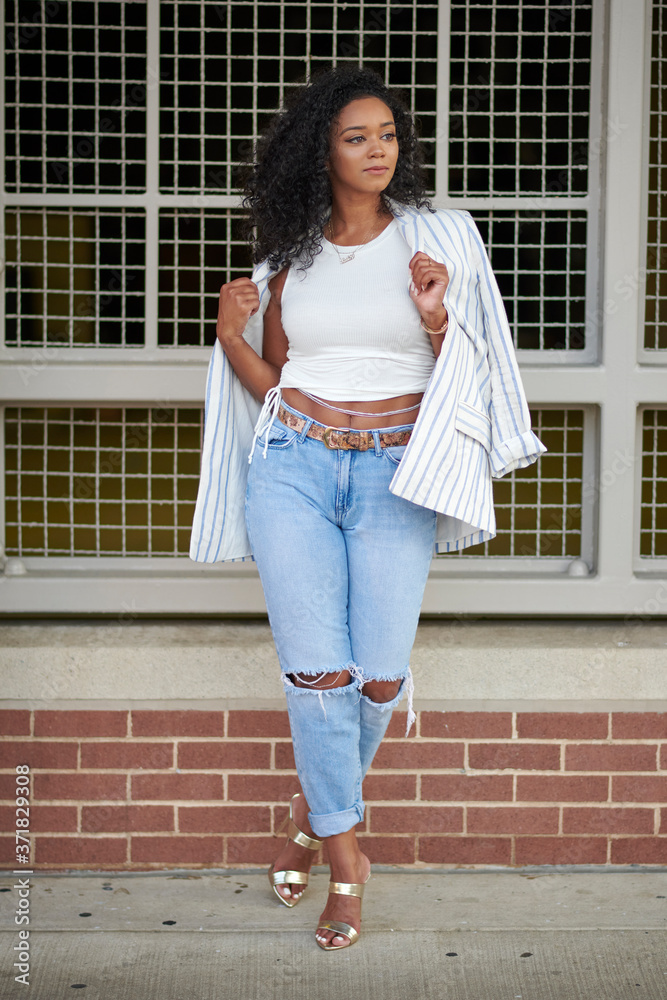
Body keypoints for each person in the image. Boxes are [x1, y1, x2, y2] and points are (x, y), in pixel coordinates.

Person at [190, 66, 546, 951]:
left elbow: (472, 364)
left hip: (396, 469)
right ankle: (349, 863)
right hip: (293, 465)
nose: (377, 148)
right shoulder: (288, 260)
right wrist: (231, 335)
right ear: (321, 152)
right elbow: (274, 381)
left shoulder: (438, 240)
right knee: (317, 674)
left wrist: (434, 315)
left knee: (379, 677)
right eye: (356, 137)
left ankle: (314, 815)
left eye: (386, 133)